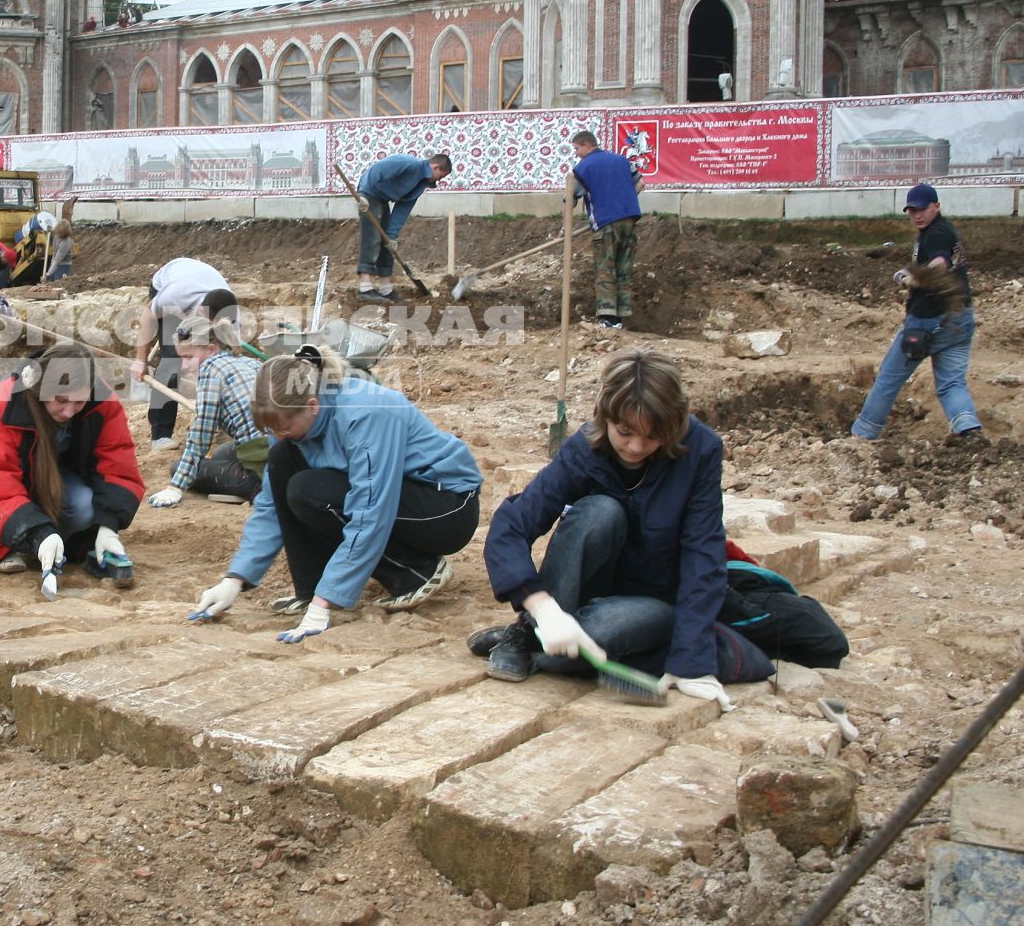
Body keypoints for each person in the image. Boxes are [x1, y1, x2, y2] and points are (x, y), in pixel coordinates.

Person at [468, 350, 735, 709]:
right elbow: (511, 526)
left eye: (653, 436)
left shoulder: (700, 450)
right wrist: (544, 609)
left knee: (595, 635)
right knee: (599, 512)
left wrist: (692, 663)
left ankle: (538, 642)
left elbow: (703, 555)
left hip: (651, 600)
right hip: (586, 587)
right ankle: (536, 627)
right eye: (624, 432)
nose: (636, 447)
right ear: (604, 416)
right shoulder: (585, 450)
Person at [189, 347, 480, 640]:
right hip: (398, 497)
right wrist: (235, 578)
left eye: (285, 428)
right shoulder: (290, 419)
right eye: (273, 430)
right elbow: (271, 506)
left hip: (446, 508)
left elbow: (370, 511)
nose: (279, 436)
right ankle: (310, 586)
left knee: (310, 492)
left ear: (313, 406)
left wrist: (324, 604)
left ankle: (417, 573)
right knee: (283, 464)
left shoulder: (363, 414)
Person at [0, 343, 144, 599]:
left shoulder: (102, 402)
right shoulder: (4, 403)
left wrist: (107, 526)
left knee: (83, 506)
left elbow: (118, 465)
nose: (69, 411)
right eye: (61, 400)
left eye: (79, 401)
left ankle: (52, 542)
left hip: (51, 486)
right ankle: (35, 541)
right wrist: (36, 533)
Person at [851, 182, 982, 442]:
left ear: (936, 206)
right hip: (959, 319)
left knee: (888, 379)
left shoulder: (936, 234)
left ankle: (863, 435)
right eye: (912, 211)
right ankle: (968, 430)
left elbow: (939, 263)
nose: (917, 215)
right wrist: (912, 271)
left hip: (928, 323)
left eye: (922, 209)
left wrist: (917, 278)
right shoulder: (943, 230)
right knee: (952, 384)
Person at [148, 316, 267, 508]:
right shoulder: (249, 362)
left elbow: (201, 433)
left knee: (178, 467)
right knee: (221, 453)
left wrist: (176, 486)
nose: (185, 366)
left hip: (262, 467)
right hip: (279, 451)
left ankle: (256, 486)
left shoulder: (210, 368)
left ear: (212, 348)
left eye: (188, 357)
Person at [129, 257, 230, 450]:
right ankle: (161, 434)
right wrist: (140, 360)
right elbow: (148, 315)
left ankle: (223, 422)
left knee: (218, 359)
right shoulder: (175, 297)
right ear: (199, 312)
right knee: (172, 358)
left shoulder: (230, 315)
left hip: (200, 283)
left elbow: (229, 361)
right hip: (168, 284)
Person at [570, 129, 644, 330]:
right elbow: (640, 183)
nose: (576, 153)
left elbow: (571, 197)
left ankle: (609, 320)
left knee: (605, 269)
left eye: (577, 148)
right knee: (623, 269)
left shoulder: (584, 167)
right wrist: (622, 202)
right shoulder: (621, 160)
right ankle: (622, 316)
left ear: (587, 145)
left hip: (605, 224)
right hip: (629, 219)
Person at [356, 153, 452, 302]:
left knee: (386, 242)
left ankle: (386, 289)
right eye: (440, 176)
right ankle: (365, 288)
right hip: (369, 194)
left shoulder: (420, 184)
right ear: (435, 167)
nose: (439, 181)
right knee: (372, 237)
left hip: (382, 199)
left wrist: (391, 235)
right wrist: (363, 193)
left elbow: (403, 209)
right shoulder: (408, 164)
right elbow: (377, 170)